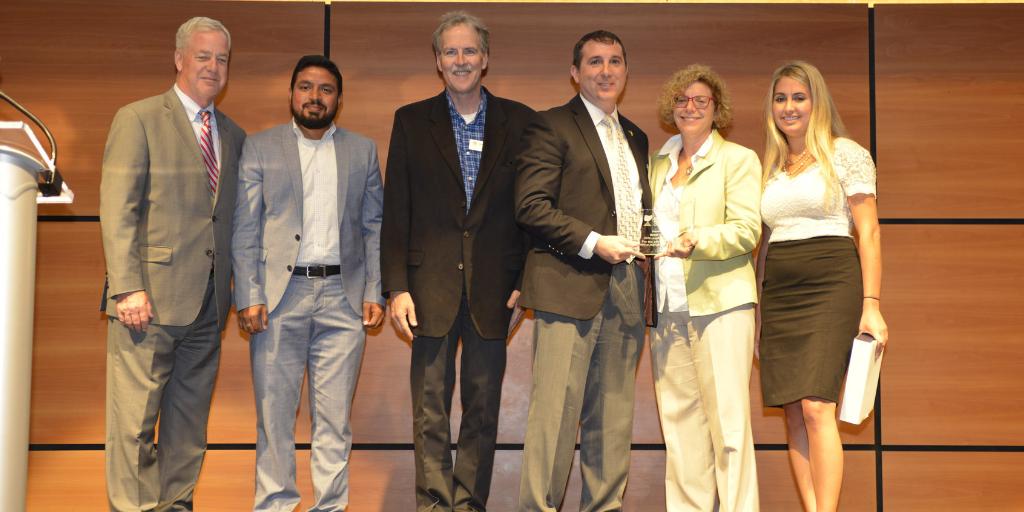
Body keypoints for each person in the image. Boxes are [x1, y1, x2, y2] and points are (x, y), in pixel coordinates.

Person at [380, 11, 533, 512]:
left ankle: (470, 505)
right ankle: (433, 505)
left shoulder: (521, 121)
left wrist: (526, 283)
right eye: (451, 52)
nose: (461, 60)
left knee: (483, 408)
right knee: (429, 412)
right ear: (438, 62)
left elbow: (533, 212)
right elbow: (395, 209)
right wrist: (396, 287)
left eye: (470, 51)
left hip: (496, 288)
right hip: (427, 289)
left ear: (485, 59)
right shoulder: (410, 120)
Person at [99, 16, 246, 511]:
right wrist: (126, 288)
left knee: (188, 425)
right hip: (147, 301)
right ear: (179, 59)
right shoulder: (138, 118)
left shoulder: (233, 133)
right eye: (203, 56)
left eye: (222, 59)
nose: (213, 67)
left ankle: (176, 506)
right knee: (134, 424)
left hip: (208, 305)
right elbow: (118, 208)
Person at [231, 54, 385, 511]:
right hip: (279, 301)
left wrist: (375, 289)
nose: (314, 97)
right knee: (275, 418)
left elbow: (373, 225)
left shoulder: (362, 151)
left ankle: (330, 507)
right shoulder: (260, 147)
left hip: (343, 301)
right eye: (305, 87)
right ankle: (275, 505)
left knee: (334, 421)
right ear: (292, 93)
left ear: (339, 98)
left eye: (325, 89)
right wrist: (249, 294)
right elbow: (245, 227)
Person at [515, 30, 653, 512]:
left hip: (628, 290)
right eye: (594, 61)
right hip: (567, 286)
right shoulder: (551, 125)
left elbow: (640, 213)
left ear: (626, 71)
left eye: (615, 60)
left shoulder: (636, 136)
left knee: (613, 419)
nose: (606, 70)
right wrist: (595, 243)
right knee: (553, 418)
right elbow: (530, 206)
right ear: (575, 73)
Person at [757, 60, 889, 512]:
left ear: (817, 101)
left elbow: (868, 231)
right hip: (780, 290)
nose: (789, 107)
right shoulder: (773, 165)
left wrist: (871, 304)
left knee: (816, 405)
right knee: (793, 410)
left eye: (799, 97)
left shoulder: (845, 152)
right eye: (780, 98)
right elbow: (766, 244)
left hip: (831, 278)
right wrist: (758, 316)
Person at [649, 65, 761, 511]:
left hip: (723, 307)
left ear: (717, 109)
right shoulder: (656, 164)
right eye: (681, 100)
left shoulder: (739, 159)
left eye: (701, 100)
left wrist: (698, 238)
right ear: (670, 108)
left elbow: (747, 230)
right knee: (681, 434)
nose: (690, 108)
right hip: (666, 309)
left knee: (730, 432)